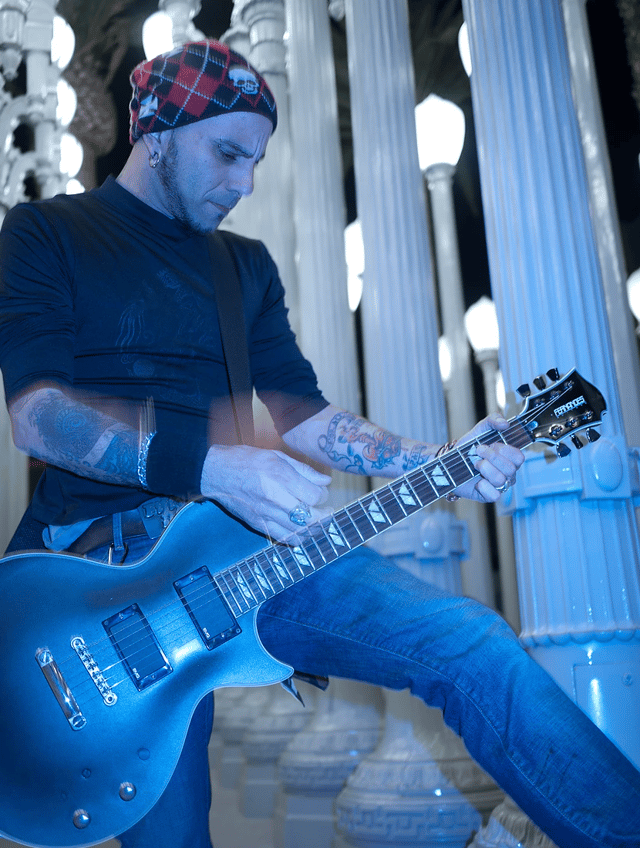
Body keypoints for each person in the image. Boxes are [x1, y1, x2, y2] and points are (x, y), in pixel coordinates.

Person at [0, 39, 638, 848]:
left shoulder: (244, 267)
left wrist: (441, 460)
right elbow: (40, 414)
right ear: (155, 130)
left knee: (473, 644)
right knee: (172, 836)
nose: (244, 182)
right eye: (227, 153)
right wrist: (210, 467)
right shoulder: (47, 232)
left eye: (257, 161)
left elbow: (305, 418)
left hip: (251, 551)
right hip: (105, 577)